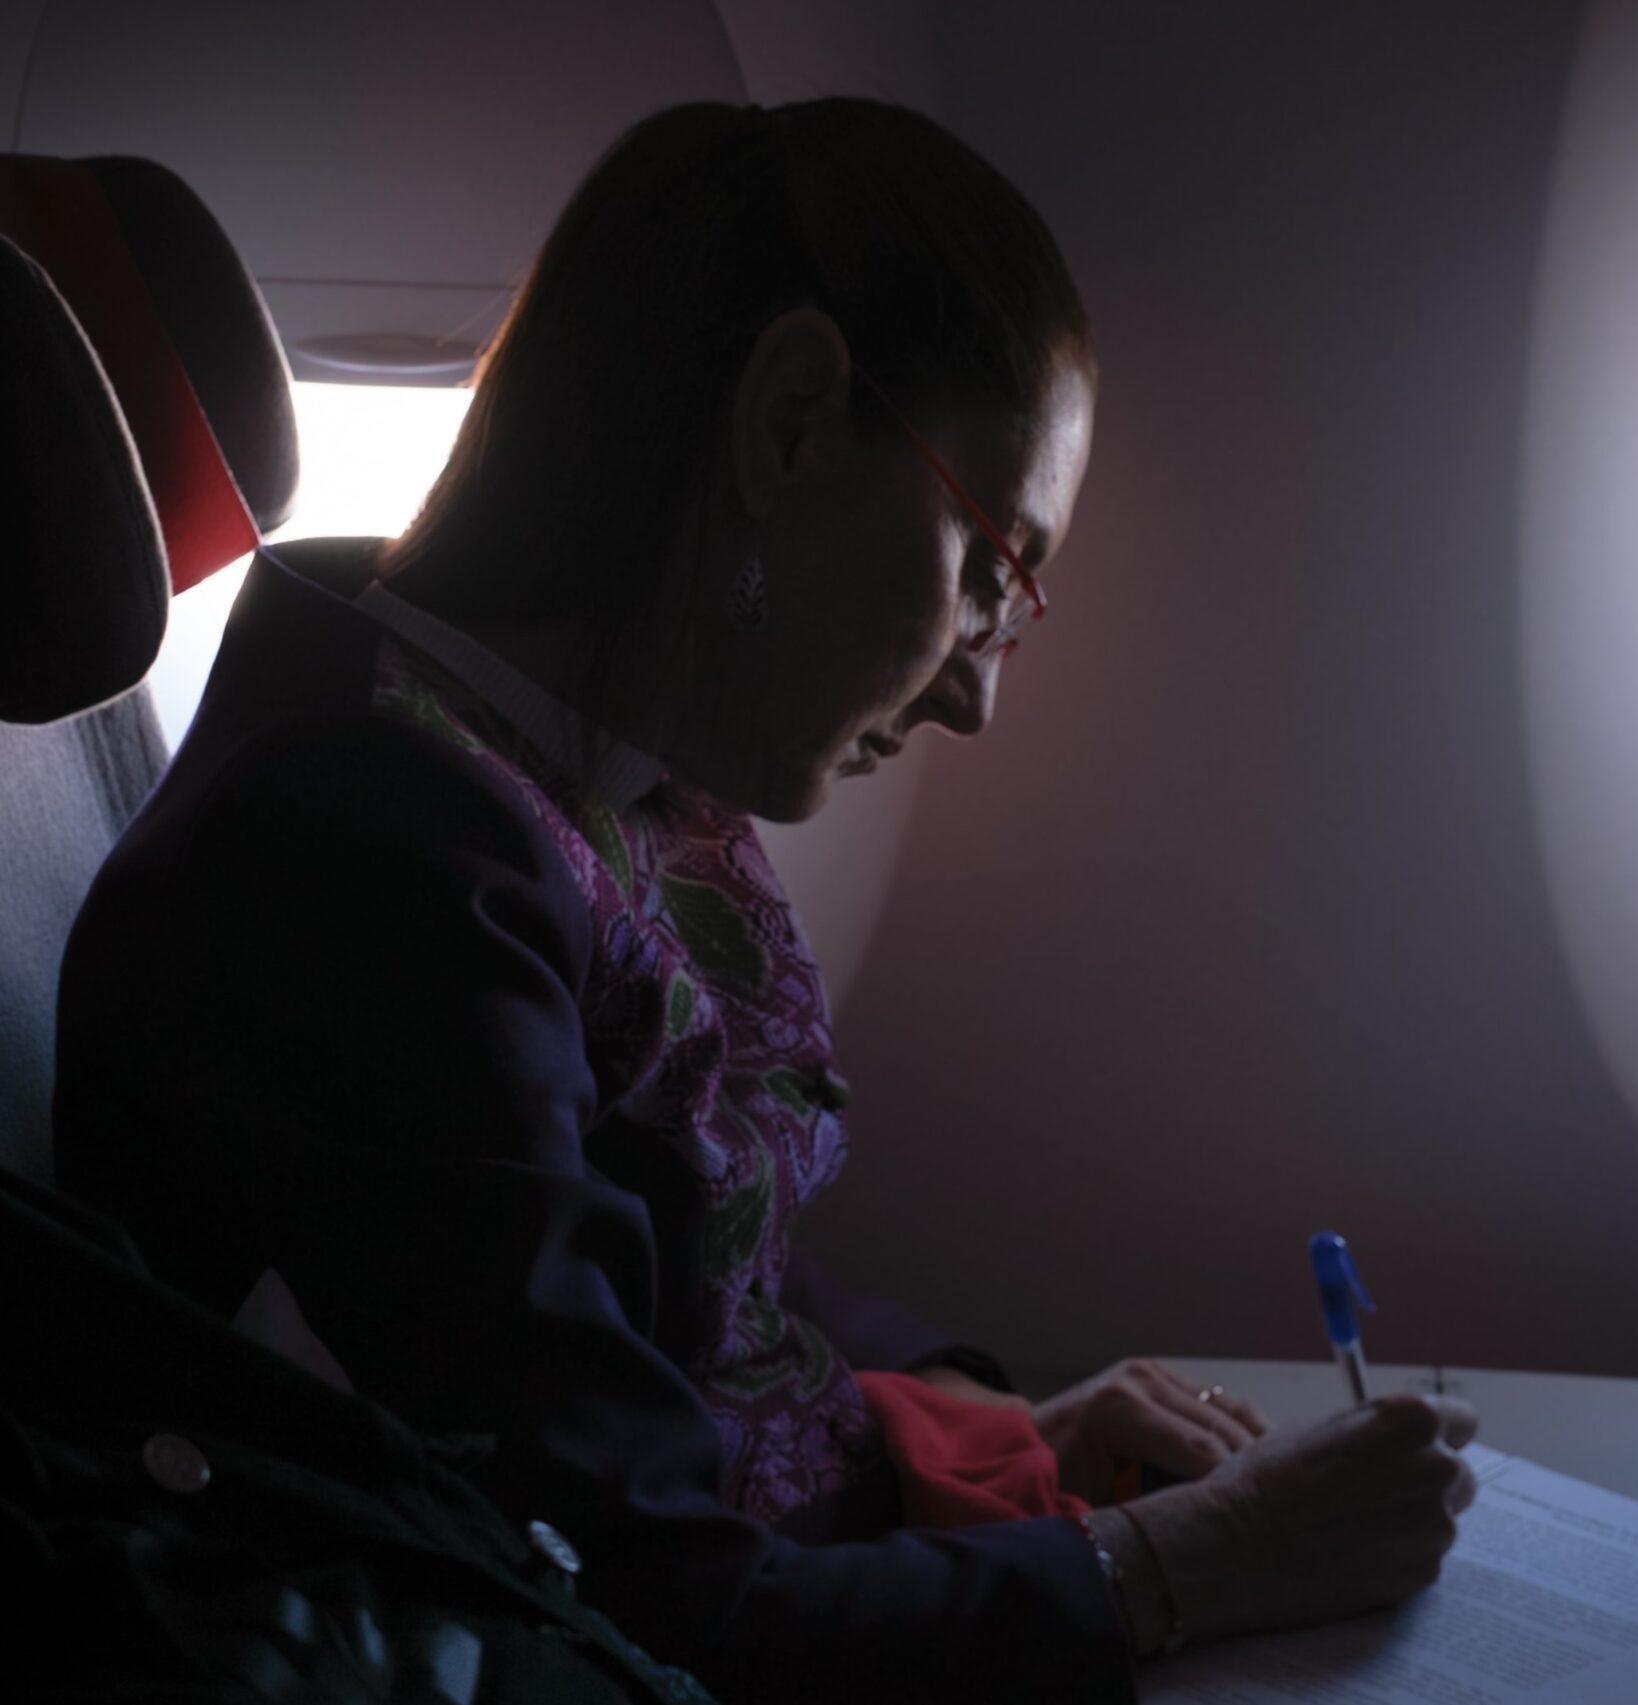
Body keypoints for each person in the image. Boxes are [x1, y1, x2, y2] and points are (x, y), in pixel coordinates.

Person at [53, 98, 1474, 1703]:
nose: (978, 698)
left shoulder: (567, 771)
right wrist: (1194, 1561)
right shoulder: (364, 858)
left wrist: (999, 1421)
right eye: (991, 573)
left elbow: (688, 1265)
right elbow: (649, 1608)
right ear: (791, 420)